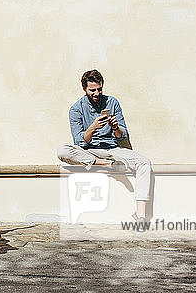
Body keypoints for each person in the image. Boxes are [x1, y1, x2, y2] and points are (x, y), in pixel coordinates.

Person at [57, 69, 152, 226]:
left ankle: (140, 215)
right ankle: (106, 164)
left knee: (144, 162)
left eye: (99, 89)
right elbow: (80, 142)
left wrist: (115, 128)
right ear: (84, 89)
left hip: (111, 149)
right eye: (92, 90)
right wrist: (92, 127)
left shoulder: (112, 103)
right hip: (90, 151)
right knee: (63, 150)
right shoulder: (76, 109)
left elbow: (123, 136)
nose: (96, 93)